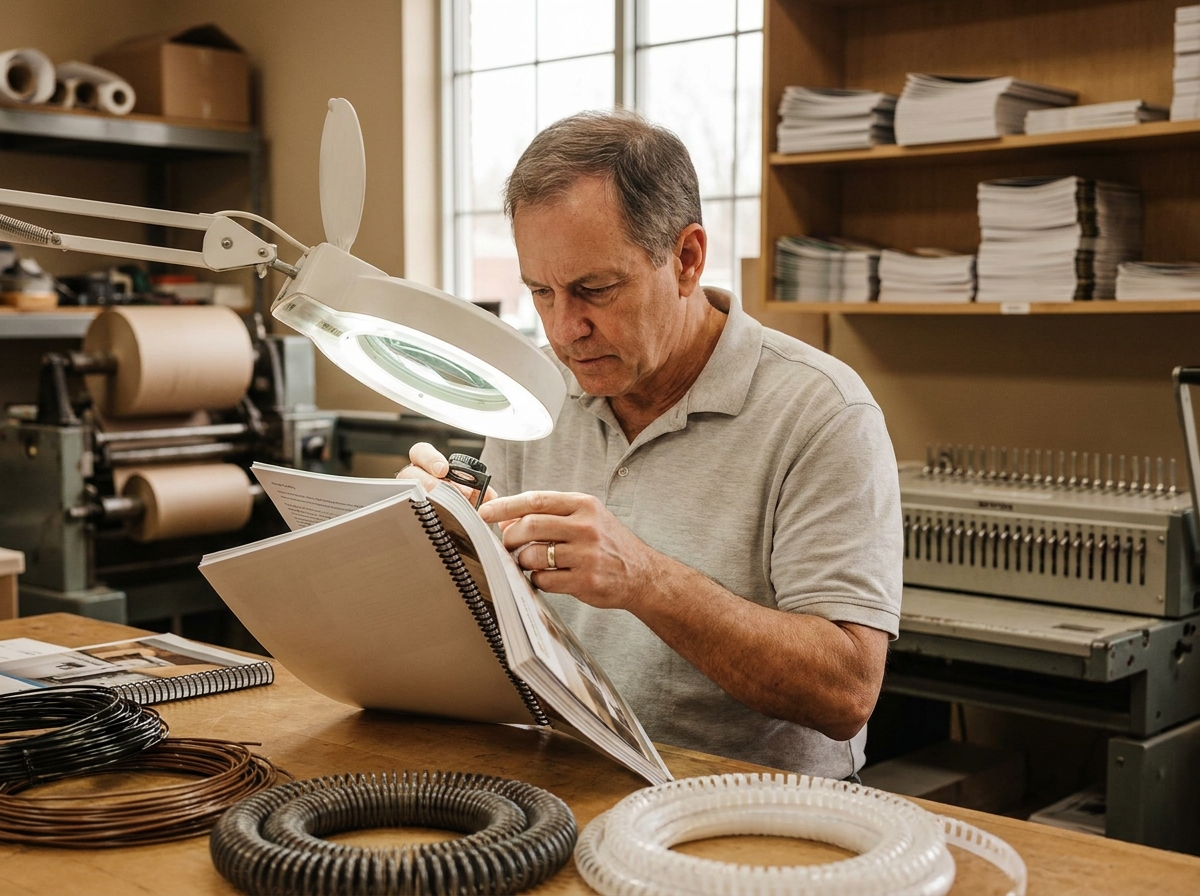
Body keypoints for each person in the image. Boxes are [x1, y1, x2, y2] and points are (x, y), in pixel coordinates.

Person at [400, 110, 902, 779]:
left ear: (687, 259)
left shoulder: (821, 411)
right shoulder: (539, 391)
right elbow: (496, 629)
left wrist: (645, 578)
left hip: (752, 811)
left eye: (594, 290)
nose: (563, 328)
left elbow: (845, 694)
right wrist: (440, 545)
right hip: (567, 776)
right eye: (540, 293)